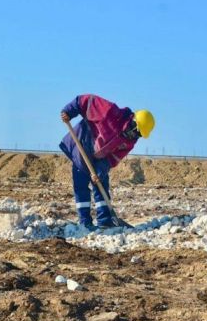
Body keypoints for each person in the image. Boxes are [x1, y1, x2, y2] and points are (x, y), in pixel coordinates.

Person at [59, 94, 155, 229]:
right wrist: (69, 111)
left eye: (139, 135)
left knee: (101, 184)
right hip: (82, 144)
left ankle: (105, 222)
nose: (135, 136)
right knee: (81, 186)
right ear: (133, 121)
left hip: (100, 158)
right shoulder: (110, 112)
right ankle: (85, 223)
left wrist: (100, 171)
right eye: (136, 132)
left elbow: (113, 158)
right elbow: (84, 101)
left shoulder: (129, 142)